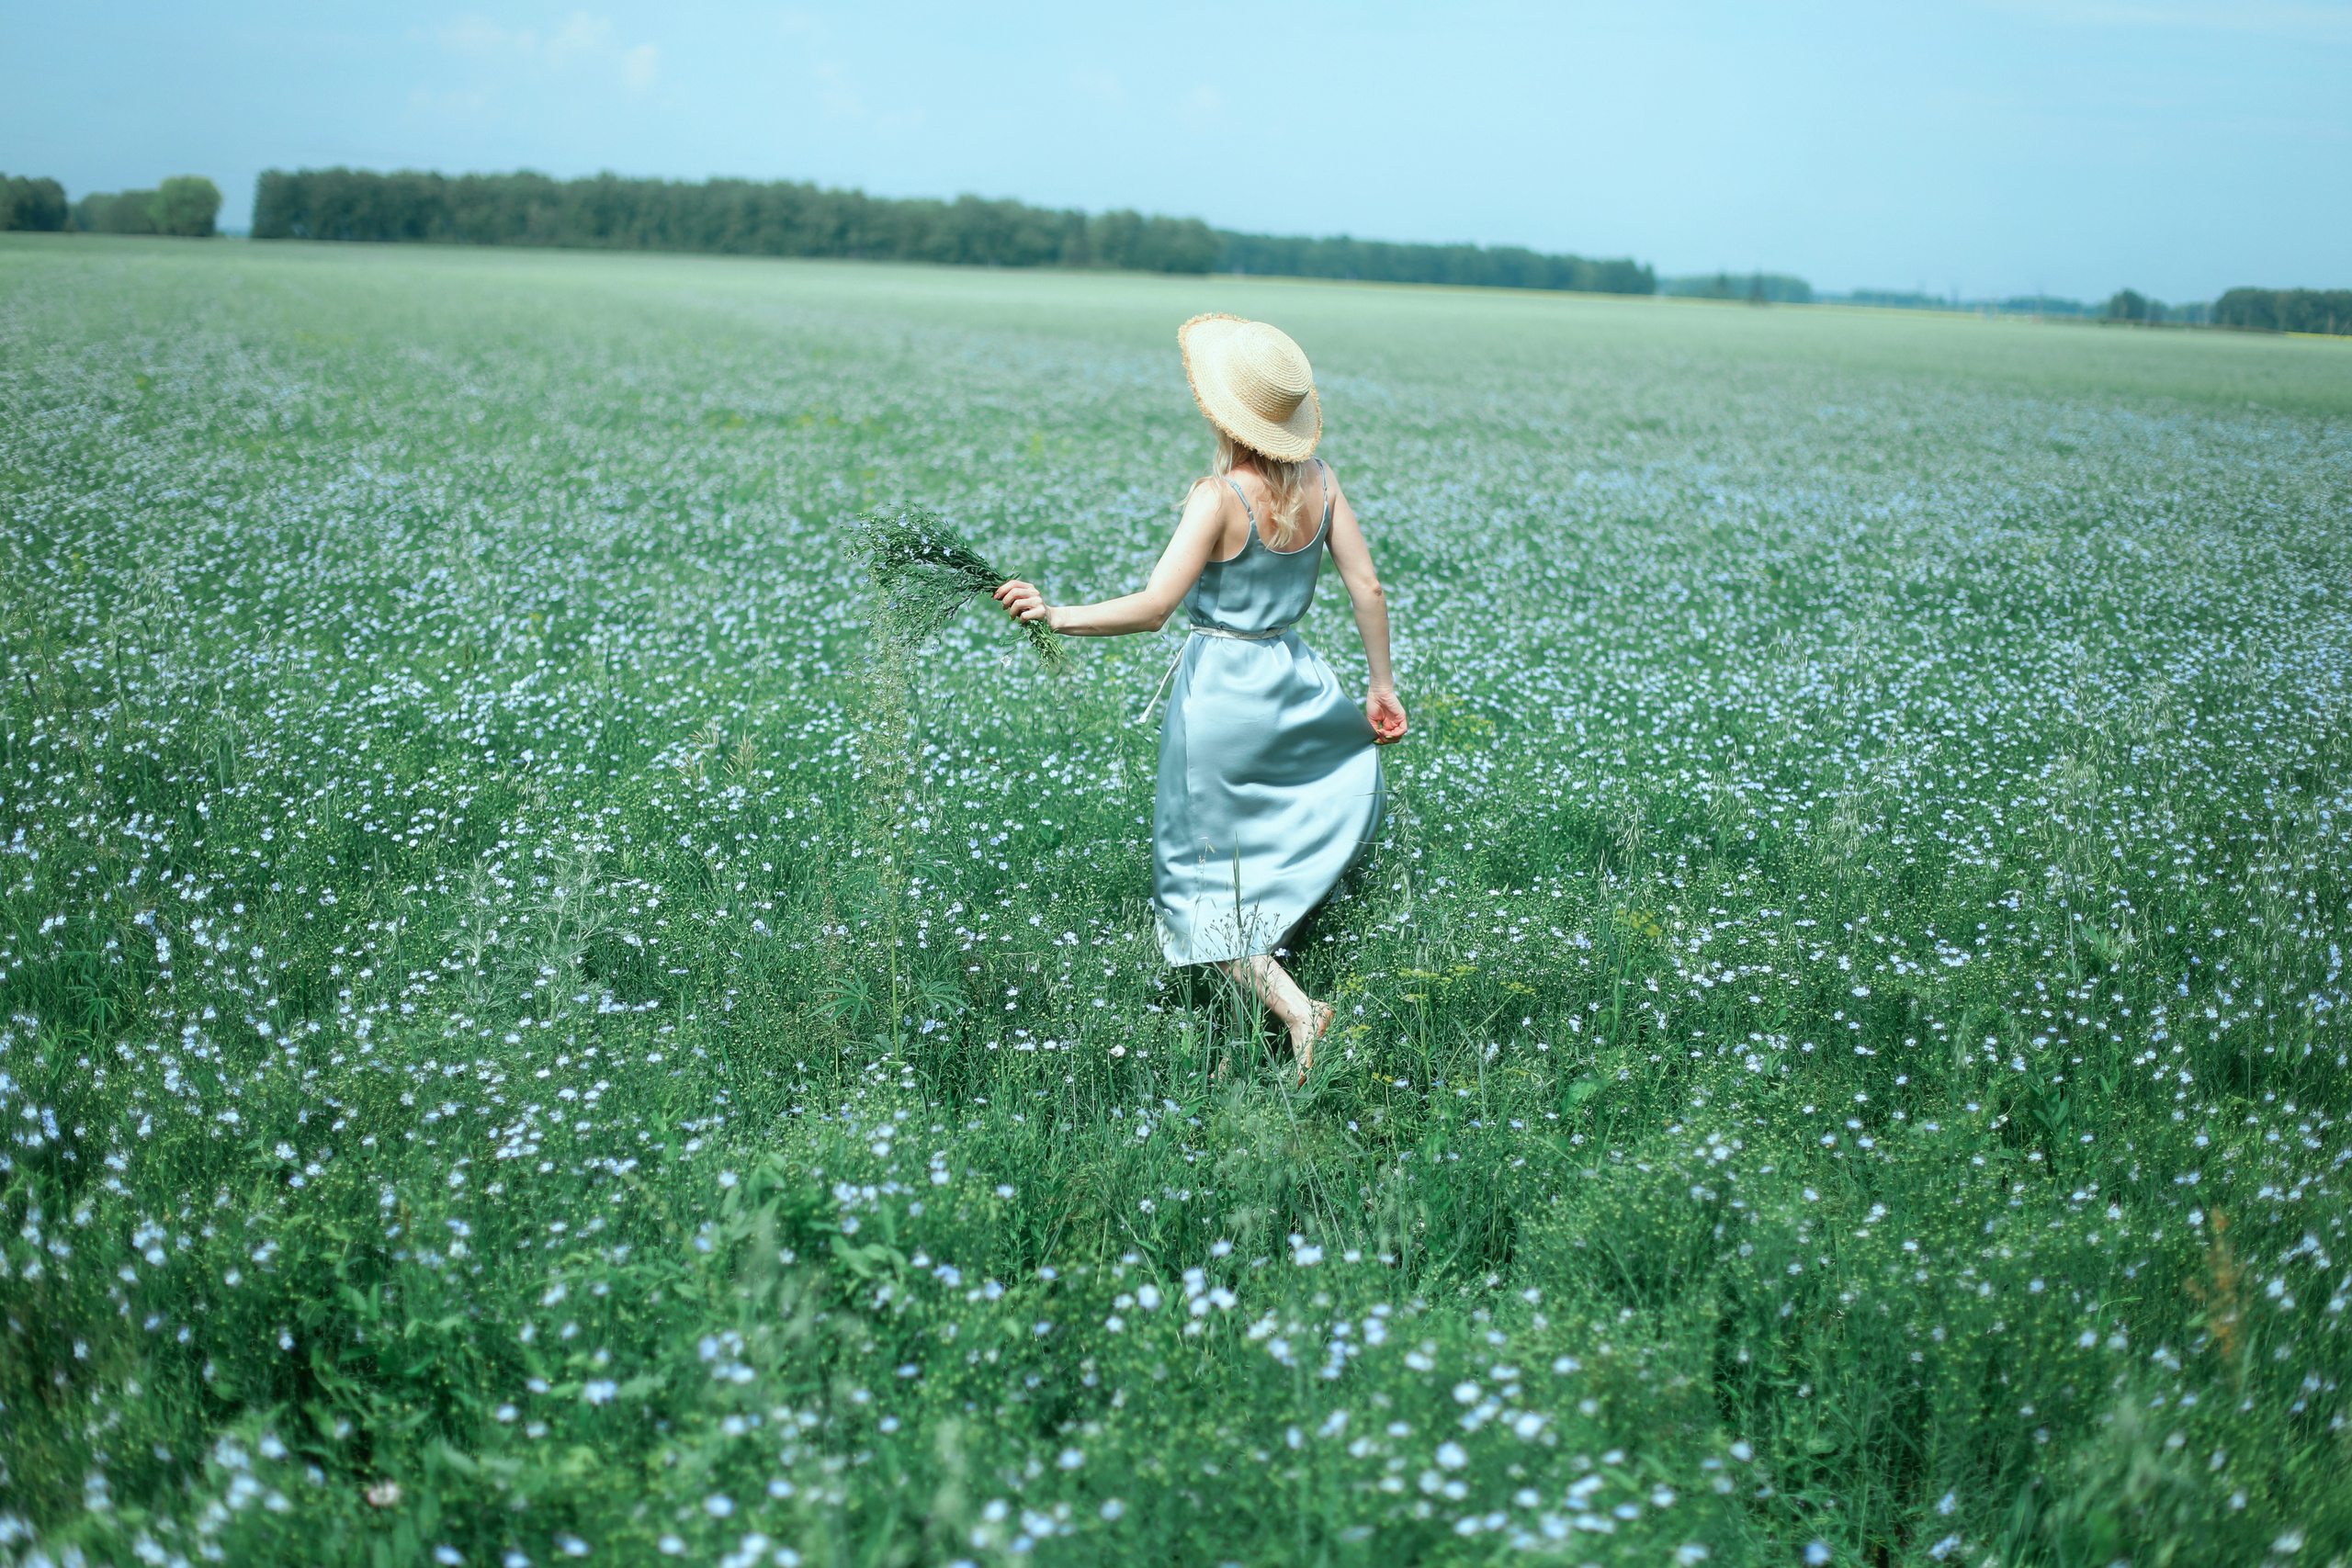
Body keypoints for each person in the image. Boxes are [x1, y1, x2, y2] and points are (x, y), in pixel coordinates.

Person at [995, 314, 1407, 1081]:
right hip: (1297, 681)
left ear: (1224, 414)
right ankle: (1265, 988)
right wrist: (1379, 686)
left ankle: (1298, 1012)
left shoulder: (1218, 497)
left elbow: (1155, 607)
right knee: (1276, 839)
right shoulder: (1323, 483)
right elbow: (1368, 586)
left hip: (1223, 696)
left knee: (1198, 879)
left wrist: (1056, 614)